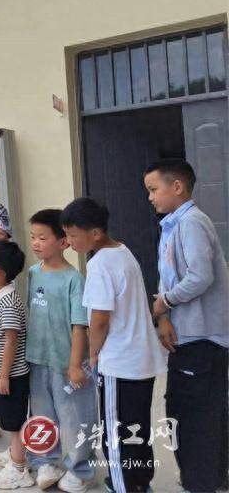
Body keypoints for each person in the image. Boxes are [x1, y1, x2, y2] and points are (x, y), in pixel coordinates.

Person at [61, 197, 167, 493]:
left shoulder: (99, 263)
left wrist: (93, 353)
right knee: (137, 430)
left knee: (117, 436)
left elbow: (99, 320)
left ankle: (124, 487)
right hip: (141, 361)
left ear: (94, 233)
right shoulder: (123, 251)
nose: (68, 243)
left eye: (72, 235)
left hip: (120, 363)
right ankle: (140, 484)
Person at [144, 159, 229, 493]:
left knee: (194, 418)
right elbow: (168, 279)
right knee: (201, 411)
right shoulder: (172, 226)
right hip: (186, 335)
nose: (150, 197)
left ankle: (202, 482)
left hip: (202, 340)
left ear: (177, 186)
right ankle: (213, 478)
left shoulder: (192, 222)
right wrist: (164, 316)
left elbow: (199, 277)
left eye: (154, 189)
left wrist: (165, 303)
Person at [14, 209, 96, 493]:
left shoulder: (74, 279)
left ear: (63, 242)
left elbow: (79, 326)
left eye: (42, 238)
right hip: (37, 359)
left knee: (74, 418)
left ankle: (81, 469)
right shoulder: (33, 273)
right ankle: (49, 460)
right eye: (33, 237)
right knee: (43, 414)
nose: (35, 243)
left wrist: (75, 364)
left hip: (65, 363)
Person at [0, 241, 34, 490]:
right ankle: (15, 454)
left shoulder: (8, 301)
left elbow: (11, 341)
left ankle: (19, 468)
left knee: (14, 422)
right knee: (6, 418)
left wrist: (3, 375)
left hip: (9, 374)